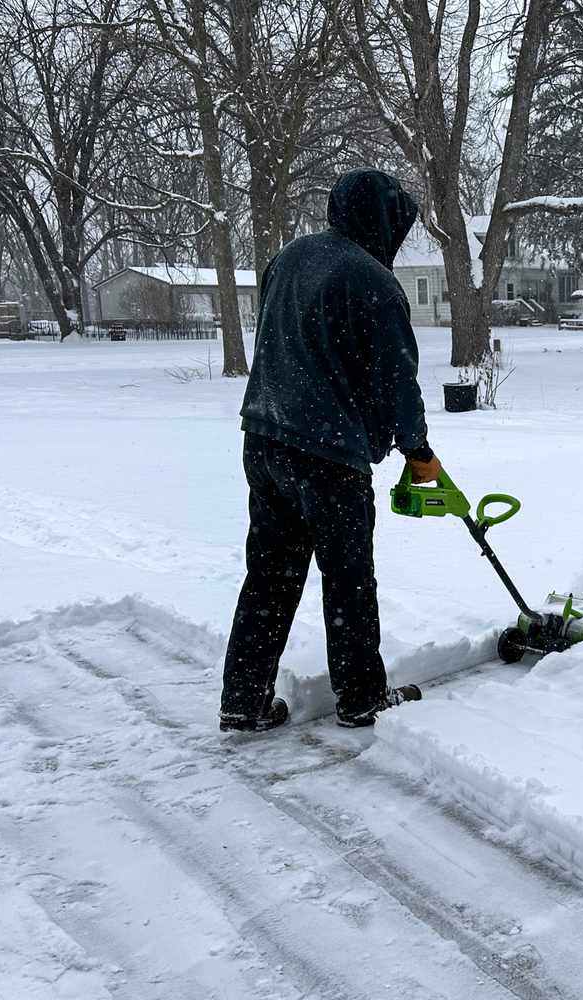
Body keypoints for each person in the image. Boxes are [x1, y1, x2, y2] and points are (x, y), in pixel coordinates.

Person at [219, 168, 441, 732]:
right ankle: (361, 696)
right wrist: (418, 451)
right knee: (348, 578)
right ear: (383, 220)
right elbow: (397, 379)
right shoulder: (373, 280)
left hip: (264, 438)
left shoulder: (289, 257)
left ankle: (243, 701)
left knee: (269, 574)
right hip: (326, 454)